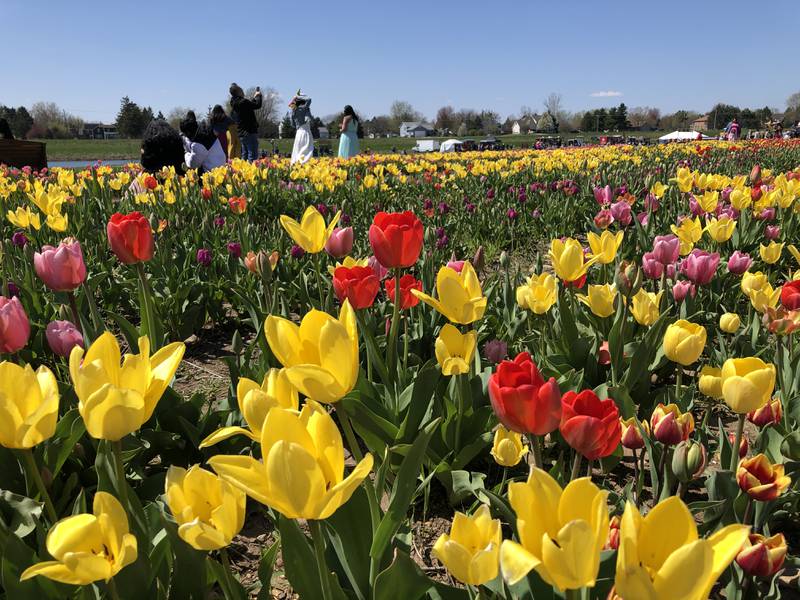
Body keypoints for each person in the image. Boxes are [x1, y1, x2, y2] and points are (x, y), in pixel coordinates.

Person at [229, 83, 262, 160]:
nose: (243, 91)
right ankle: (251, 171)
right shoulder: (243, 102)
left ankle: (244, 170)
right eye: (241, 90)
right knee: (252, 155)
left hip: (242, 133)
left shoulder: (234, 103)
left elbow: (249, 106)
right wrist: (259, 96)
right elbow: (257, 105)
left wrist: (254, 98)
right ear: (238, 92)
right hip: (249, 131)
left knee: (245, 154)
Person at [289, 91, 314, 165]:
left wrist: (295, 99)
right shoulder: (303, 108)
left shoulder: (293, 111)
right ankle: (304, 167)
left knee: (298, 151)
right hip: (305, 132)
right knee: (306, 152)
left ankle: (296, 165)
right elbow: (309, 99)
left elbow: (293, 125)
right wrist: (299, 97)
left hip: (298, 133)